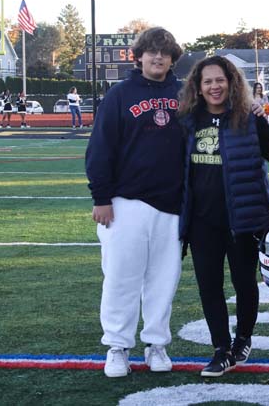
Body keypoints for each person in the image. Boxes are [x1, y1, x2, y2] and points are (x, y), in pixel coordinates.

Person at [85, 27, 185, 378]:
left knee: (163, 279)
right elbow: (99, 149)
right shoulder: (119, 94)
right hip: (124, 202)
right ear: (138, 56)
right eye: (151, 51)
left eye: (164, 52)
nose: (158, 57)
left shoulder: (185, 93)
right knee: (120, 278)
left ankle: (156, 343)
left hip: (173, 205)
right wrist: (101, 197)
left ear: (173, 57)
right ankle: (117, 346)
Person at [178, 56, 269, 378]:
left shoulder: (249, 118)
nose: (214, 86)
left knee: (244, 282)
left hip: (243, 218)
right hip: (202, 220)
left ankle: (243, 337)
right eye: (207, 82)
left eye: (220, 80)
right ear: (198, 87)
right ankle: (221, 348)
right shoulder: (189, 120)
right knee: (209, 285)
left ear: (231, 83)